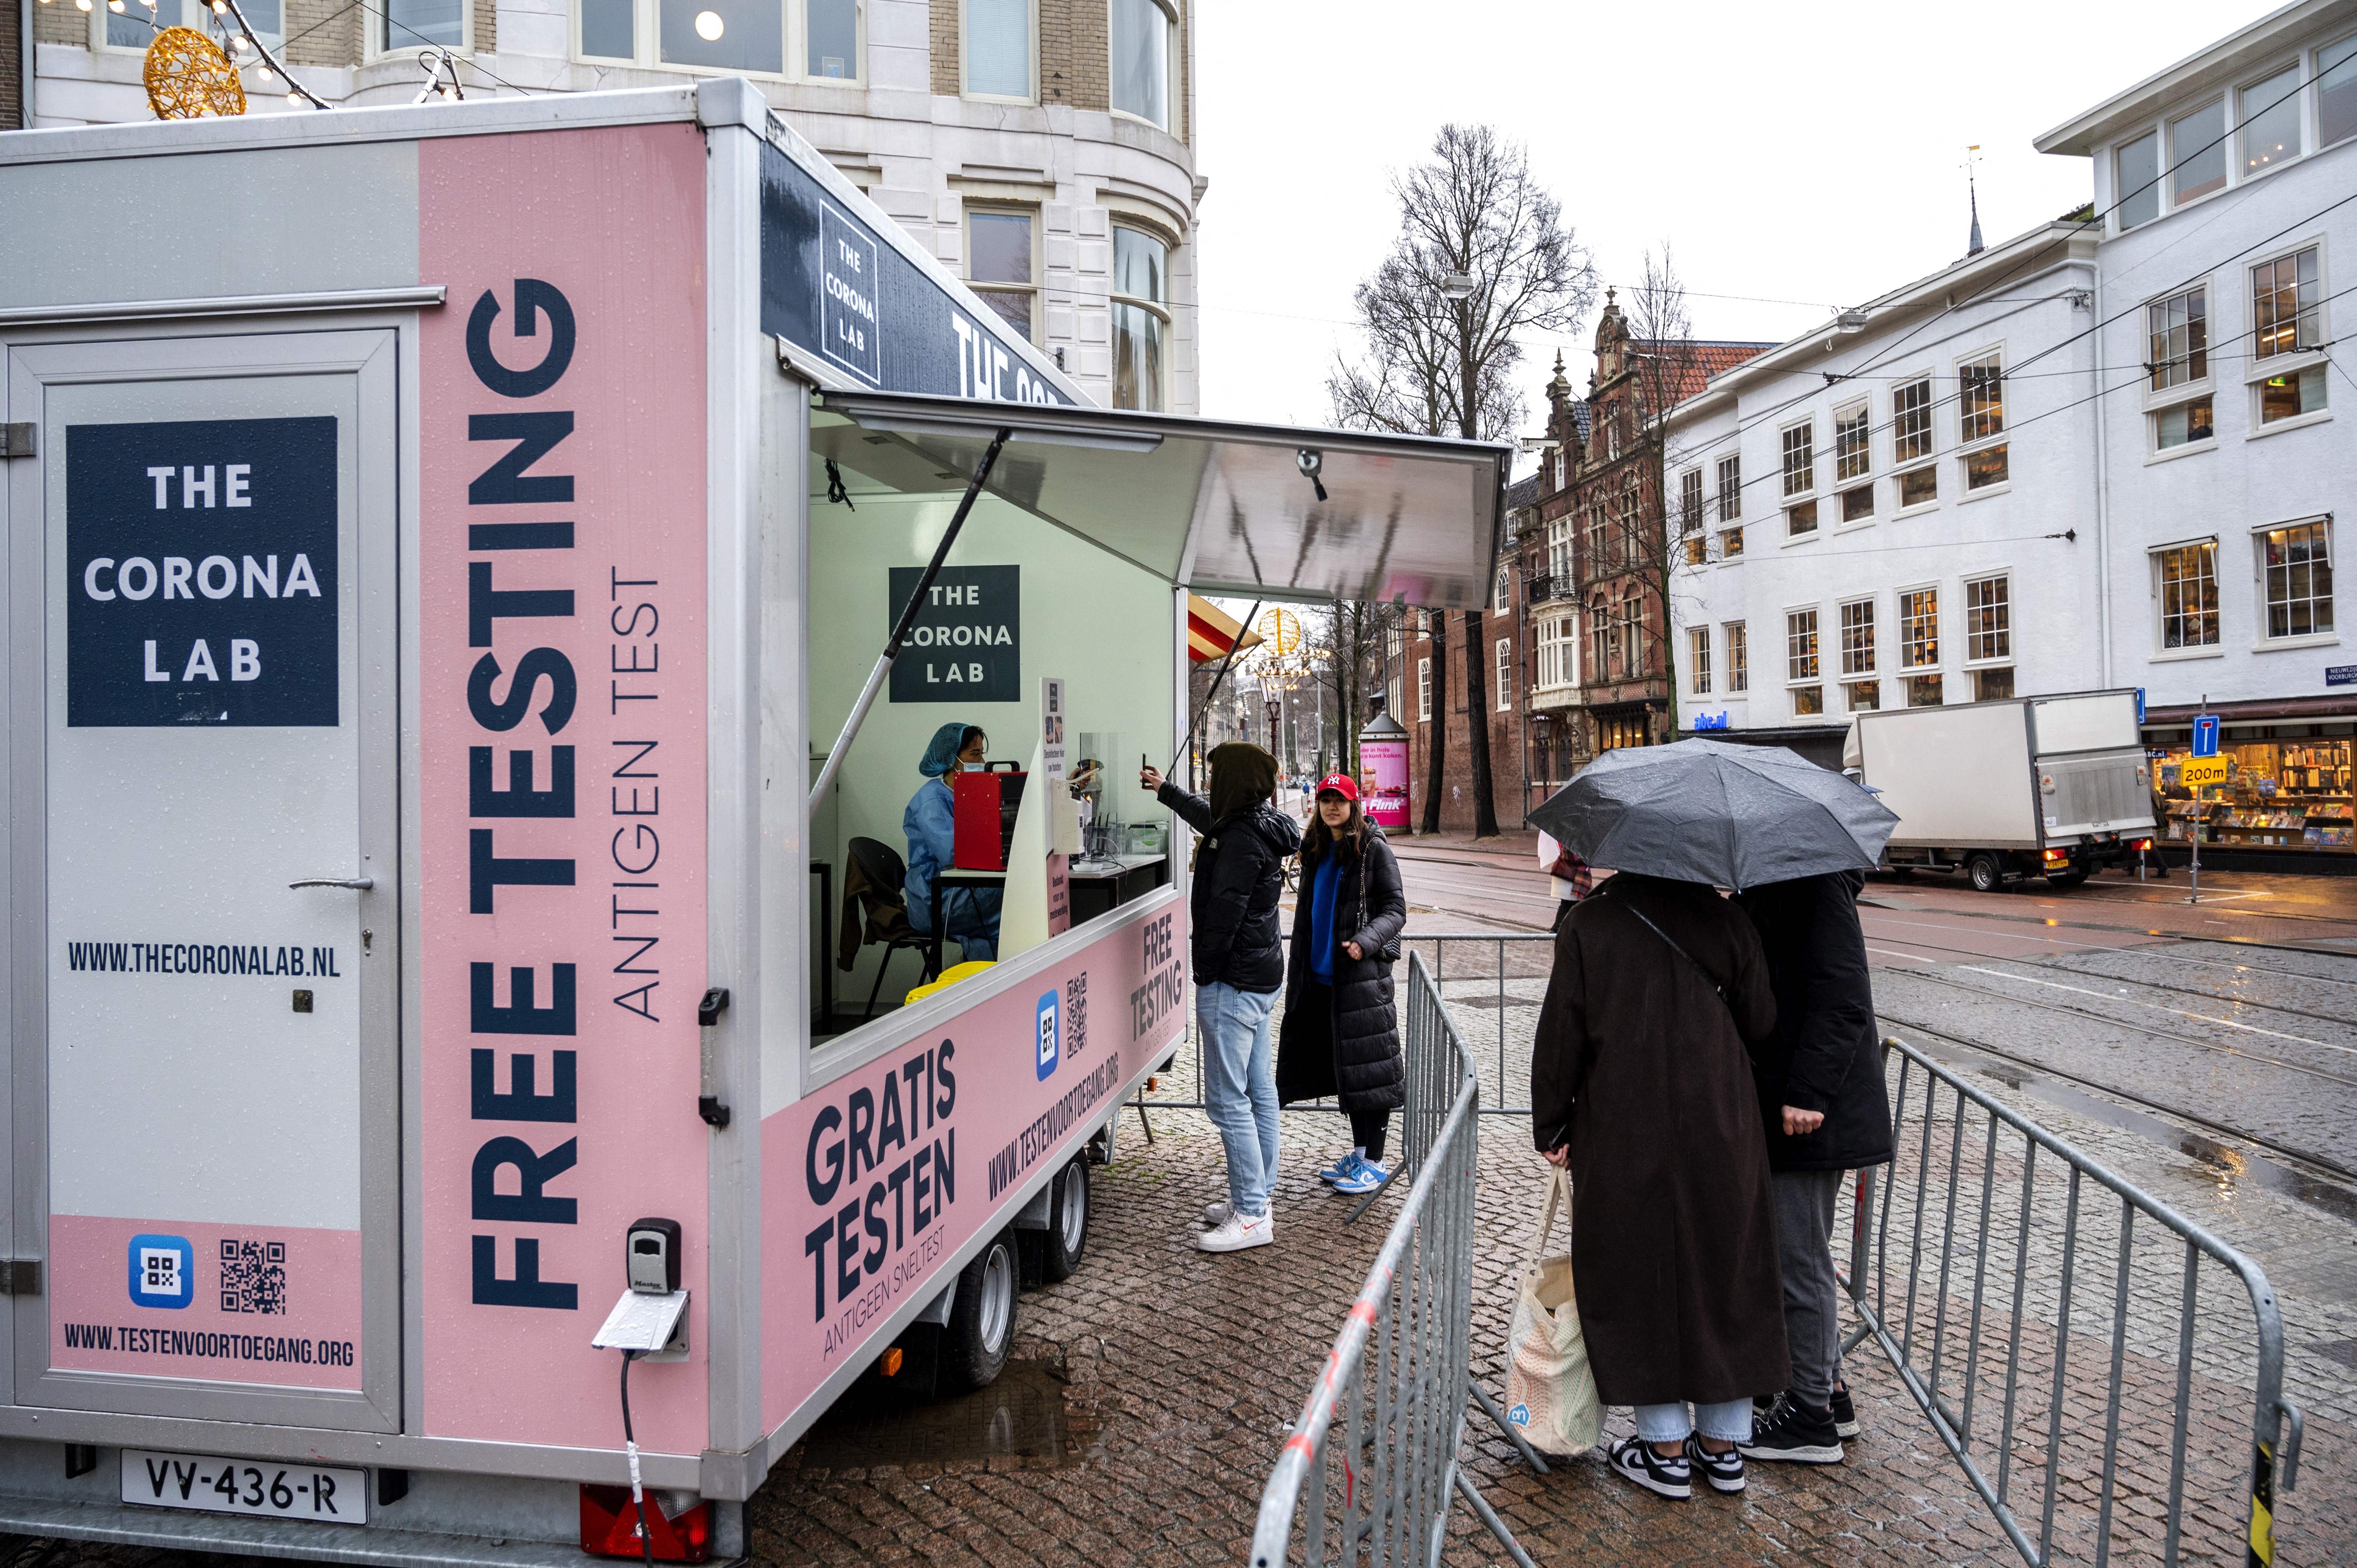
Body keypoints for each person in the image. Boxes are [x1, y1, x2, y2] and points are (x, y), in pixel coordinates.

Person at [1528, 871, 1786, 1501]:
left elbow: (1561, 1030)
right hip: (1720, 1125)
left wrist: (1551, 1119)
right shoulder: (1728, 920)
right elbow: (1761, 1020)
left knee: (1635, 1271)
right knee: (1723, 1271)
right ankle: (1723, 1449)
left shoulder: (1590, 922)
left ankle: (1664, 1450)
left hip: (1622, 1124)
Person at [1732, 870, 1894, 1465]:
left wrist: (1807, 1093)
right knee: (1793, 1254)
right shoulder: (1779, 883)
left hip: (1811, 1113)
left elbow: (1845, 998)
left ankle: (1810, 1418)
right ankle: (1831, 1391)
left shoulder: (1817, 885)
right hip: (1795, 1106)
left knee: (1799, 1261)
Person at [1142, 745, 1299, 1253]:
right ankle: (1257, 1197)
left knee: (1228, 1102)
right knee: (1258, 1094)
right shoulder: (1255, 824)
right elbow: (1209, 817)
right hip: (1258, 977)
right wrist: (1165, 791)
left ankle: (1253, 1214)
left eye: (1214, 776)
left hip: (1232, 984)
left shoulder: (1237, 841)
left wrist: (1205, 975)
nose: (1209, 784)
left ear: (1231, 780)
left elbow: (1223, 917)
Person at [1276, 774, 1407, 1198]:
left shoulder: (1372, 849)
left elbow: (1396, 909)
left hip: (1362, 980)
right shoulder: (1315, 849)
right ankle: (1360, 1151)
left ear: (1355, 804)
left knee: (1371, 1070)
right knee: (1349, 1071)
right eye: (1326, 799)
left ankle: (1375, 1161)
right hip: (1322, 978)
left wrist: (1365, 943)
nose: (1332, 806)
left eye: (1340, 800)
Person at [903, 722, 1002, 964]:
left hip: (958, 889)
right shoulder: (931, 799)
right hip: (934, 897)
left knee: (1012, 903)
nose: (981, 762)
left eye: (982, 755)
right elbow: (953, 853)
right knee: (1013, 902)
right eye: (974, 755)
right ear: (951, 759)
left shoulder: (970, 794)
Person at [1536, 829, 1596, 930]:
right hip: (1571, 877)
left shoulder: (1570, 834)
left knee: (1571, 905)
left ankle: (1564, 930)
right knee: (1570, 905)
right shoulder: (1577, 837)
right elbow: (1577, 858)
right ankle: (1558, 930)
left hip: (1569, 875)